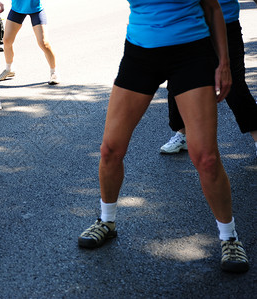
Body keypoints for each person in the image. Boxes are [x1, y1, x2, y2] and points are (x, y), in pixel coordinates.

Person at [78, 0, 249, 273]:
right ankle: (106, 221)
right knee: (110, 148)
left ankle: (229, 237)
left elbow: (213, 8)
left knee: (206, 157)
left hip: (191, 53)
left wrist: (224, 63)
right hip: (140, 53)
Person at [160, 0, 257, 157]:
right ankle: (182, 133)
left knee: (234, 85)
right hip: (188, 27)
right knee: (179, 82)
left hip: (225, 23)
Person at [0, 0, 60, 85]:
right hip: (17, 9)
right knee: (7, 41)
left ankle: (54, 72)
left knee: (43, 43)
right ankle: (9, 69)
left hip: (36, 9)